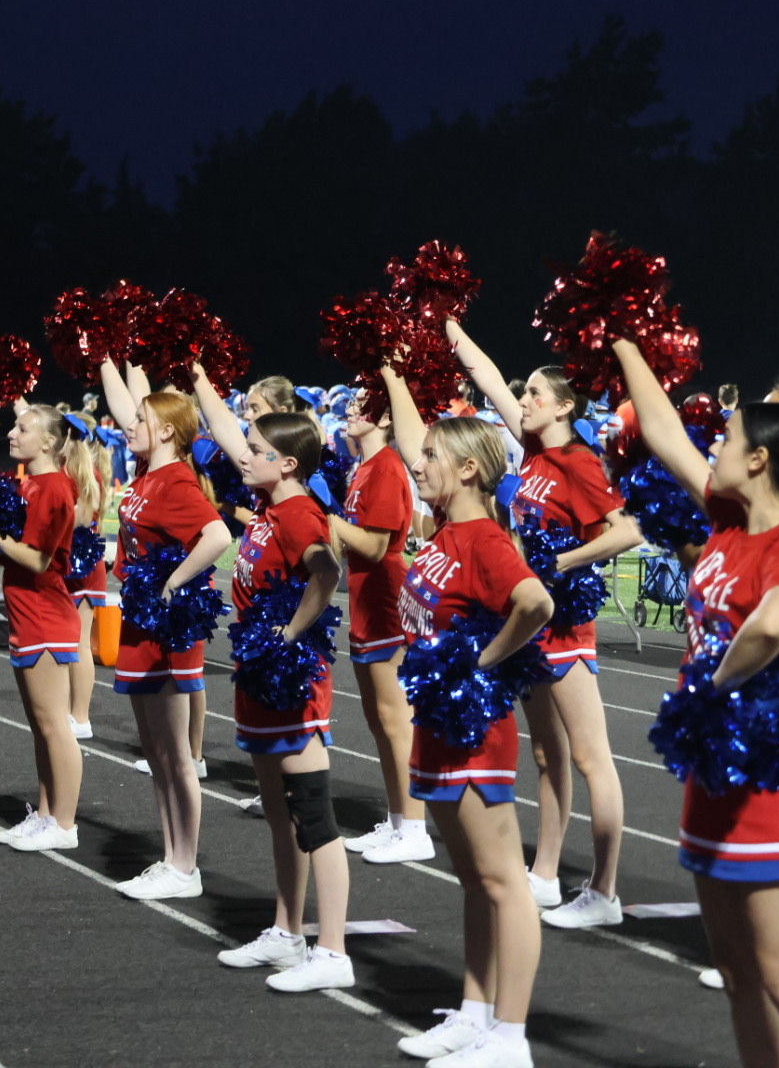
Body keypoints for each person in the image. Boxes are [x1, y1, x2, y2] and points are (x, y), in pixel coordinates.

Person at [613, 335, 779, 1068]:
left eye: (727, 437)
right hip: (716, 766)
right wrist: (622, 339)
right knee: (740, 978)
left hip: (774, 775)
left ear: (760, 459)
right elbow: (659, 432)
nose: (713, 444)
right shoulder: (726, 516)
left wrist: (713, 684)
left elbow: (777, 621)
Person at [381, 363, 554, 1068]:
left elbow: (536, 603)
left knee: (504, 884)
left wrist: (484, 663)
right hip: (440, 726)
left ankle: (510, 1037)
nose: (417, 464)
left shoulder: (482, 540)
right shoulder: (443, 538)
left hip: (476, 730)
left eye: (430, 458)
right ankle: (476, 1011)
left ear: (473, 473)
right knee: (474, 882)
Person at [450, 318, 642, 929]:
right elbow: (482, 374)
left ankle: (605, 890)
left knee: (592, 758)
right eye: (524, 392)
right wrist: (450, 323)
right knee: (545, 756)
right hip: (531, 622)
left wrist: (562, 560)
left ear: (563, 405)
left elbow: (627, 530)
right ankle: (547, 873)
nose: (523, 399)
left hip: (564, 628)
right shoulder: (533, 451)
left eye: (535, 393)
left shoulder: (579, 461)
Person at [191, 358, 354, 993]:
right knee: (282, 816)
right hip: (260, 674)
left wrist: (287, 636)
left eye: (258, 450)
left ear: (287, 463)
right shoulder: (265, 505)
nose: (245, 455)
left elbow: (326, 573)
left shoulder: (300, 515)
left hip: (293, 680)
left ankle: (333, 949)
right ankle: (288, 932)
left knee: (313, 815)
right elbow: (231, 437)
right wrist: (200, 378)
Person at [99, 359, 232, 899]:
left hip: (167, 630)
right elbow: (127, 404)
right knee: (155, 751)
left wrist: (172, 582)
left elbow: (217, 536)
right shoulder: (145, 476)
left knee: (175, 754)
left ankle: (185, 866)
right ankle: (171, 856)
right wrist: (112, 356)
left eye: (142, 420)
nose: (131, 425)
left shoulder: (175, 480)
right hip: (139, 625)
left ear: (169, 431)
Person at [330, 390, 433, 865]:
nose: (351, 410)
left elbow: (374, 546)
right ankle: (396, 820)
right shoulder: (363, 468)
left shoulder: (388, 466)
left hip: (386, 599)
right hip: (365, 599)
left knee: (396, 721)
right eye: (350, 404)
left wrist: (325, 518)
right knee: (378, 721)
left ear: (387, 418)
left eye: (362, 405)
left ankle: (415, 827)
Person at [0, 404, 85, 853]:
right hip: (28, 612)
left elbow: (39, 558)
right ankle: (46, 812)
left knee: (54, 725)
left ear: (48, 441)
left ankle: (64, 823)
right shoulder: (29, 482)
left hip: (46, 615)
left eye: (23, 429)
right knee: (40, 725)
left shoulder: (52, 488)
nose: (12, 434)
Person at [58, 411, 115, 742]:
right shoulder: (72, 472)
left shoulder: (81, 474)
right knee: (68, 644)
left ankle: (80, 716)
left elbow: (76, 524)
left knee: (78, 645)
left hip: (81, 569)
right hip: (71, 567)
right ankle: (68, 711)